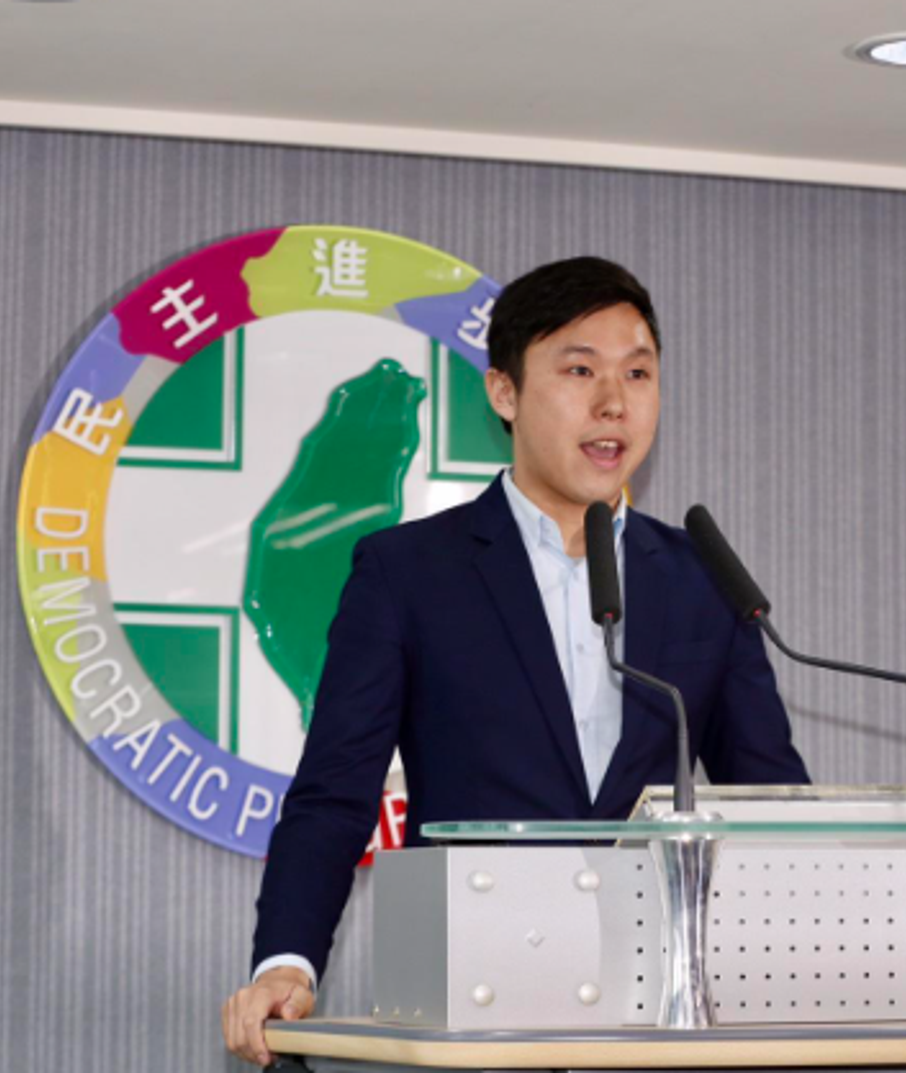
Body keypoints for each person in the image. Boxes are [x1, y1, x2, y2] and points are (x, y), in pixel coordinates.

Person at [222, 256, 809, 1065]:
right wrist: (285, 962)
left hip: (661, 1016)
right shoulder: (409, 572)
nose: (614, 401)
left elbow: (771, 802)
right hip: (476, 1006)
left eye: (639, 373)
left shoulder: (703, 579)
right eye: (580, 370)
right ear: (504, 391)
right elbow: (335, 792)